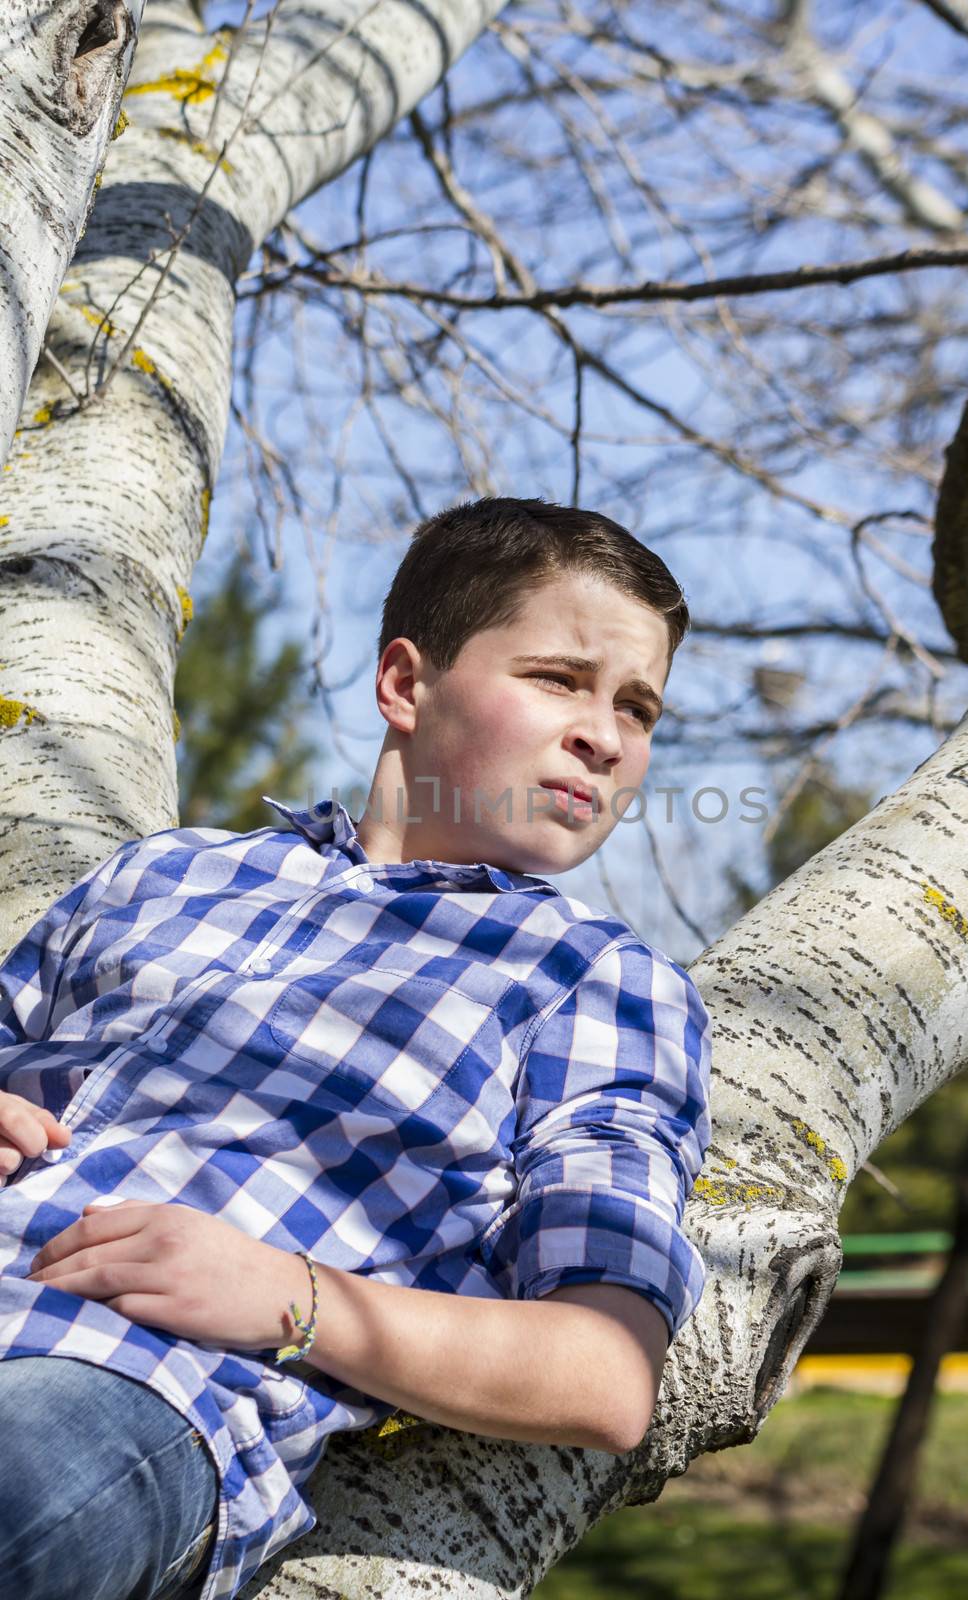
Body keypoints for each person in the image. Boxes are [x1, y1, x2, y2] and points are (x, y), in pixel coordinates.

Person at [0, 497, 713, 1600]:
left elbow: (605, 1367)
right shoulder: (165, 874)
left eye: (638, 707)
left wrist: (295, 1297)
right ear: (403, 684)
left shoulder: (591, 981)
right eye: (559, 679)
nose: (606, 736)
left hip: (117, 1386)